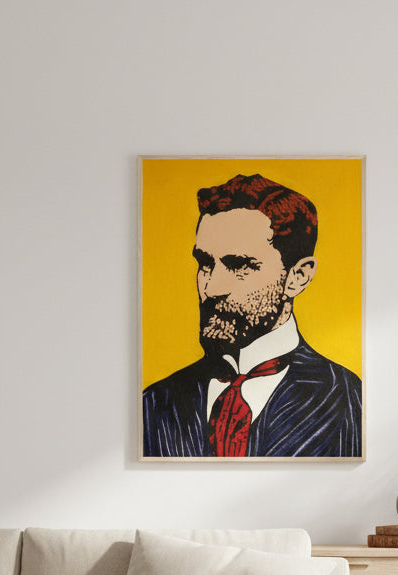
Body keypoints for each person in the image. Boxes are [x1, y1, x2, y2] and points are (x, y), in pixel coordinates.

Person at [142, 172, 362, 458]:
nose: (211, 288)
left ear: (297, 277)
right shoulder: (155, 402)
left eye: (239, 266)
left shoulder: (349, 398)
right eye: (205, 263)